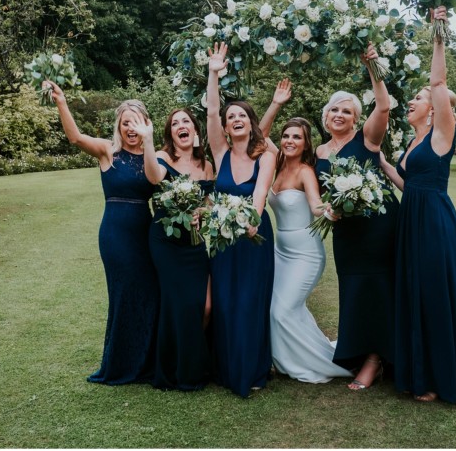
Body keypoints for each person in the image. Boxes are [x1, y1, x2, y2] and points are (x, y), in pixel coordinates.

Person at [379, 7, 456, 403]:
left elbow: (438, 79)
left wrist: (438, 34)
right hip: (411, 220)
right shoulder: (411, 143)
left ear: (436, 107)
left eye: (419, 97)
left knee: (435, 294)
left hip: (435, 223)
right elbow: (406, 182)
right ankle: (420, 375)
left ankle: (445, 379)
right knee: (416, 293)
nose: (412, 100)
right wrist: (377, 161)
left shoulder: (443, 131)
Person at [44, 80, 159, 385]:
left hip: (144, 233)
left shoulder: (153, 156)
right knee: (123, 295)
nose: (130, 129)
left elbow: (158, 182)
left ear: (146, 124)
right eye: (125, 123)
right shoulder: (108, 152)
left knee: (149, 294)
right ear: (119, 128)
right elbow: (74, 137)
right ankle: (120, 364)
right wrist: (62, 103)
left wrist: (149, 143)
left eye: (136, 123)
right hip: (116, 235)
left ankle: (146, 361)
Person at [314, 42, 400, 390]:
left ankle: (376, 359)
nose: (339, 115)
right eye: (334, 110)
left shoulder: (367, 140)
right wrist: (327, 209)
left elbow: (384, 105)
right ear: (326, 116)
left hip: (379, 226)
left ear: (356, 119)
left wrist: (372, 66)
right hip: (346, 232)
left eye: (347, 112)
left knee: (378, 287)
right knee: (353, 290)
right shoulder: (319, 151)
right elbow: (317, 193)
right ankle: (358, 350)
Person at [258, 80, 353, 384]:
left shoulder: (305, 171)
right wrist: (276, 103)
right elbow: (258, 136)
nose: (289, 140)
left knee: (283, 310)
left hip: (305, 253)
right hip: (279, 251)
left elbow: (314, 206)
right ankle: (285, 361)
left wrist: (330, 210)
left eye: (296, 137)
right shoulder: (276, 164)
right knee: (277, 308)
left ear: (306, 143)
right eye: (286, 135)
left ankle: (317, 363)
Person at [206, 42, 276, 398]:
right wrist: (214, 73)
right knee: (226, 300)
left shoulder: (265, 155)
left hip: (253, 236)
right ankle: (225, 366)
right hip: (222, 237)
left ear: (251, 123)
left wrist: (253, 218)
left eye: (242, 116)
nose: (235, 120)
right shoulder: (219, 152)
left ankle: (251, 368)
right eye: (231, 117)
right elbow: (212, 109)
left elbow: (261, 190)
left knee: (250, 301)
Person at [131, 108, 215, 391]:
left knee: (204, 306)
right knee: (178, 305)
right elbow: (154, 178)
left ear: (194, 130)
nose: (181, 126)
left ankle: (193, 361)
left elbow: (209, 201)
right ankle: (176, 370)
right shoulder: (164, 158)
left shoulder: (206, 165)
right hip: (166, 242)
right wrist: (147, 140)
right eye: (175, 123)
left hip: (194, 243)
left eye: (186, 122)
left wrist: (202, 211)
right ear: (170, 133)